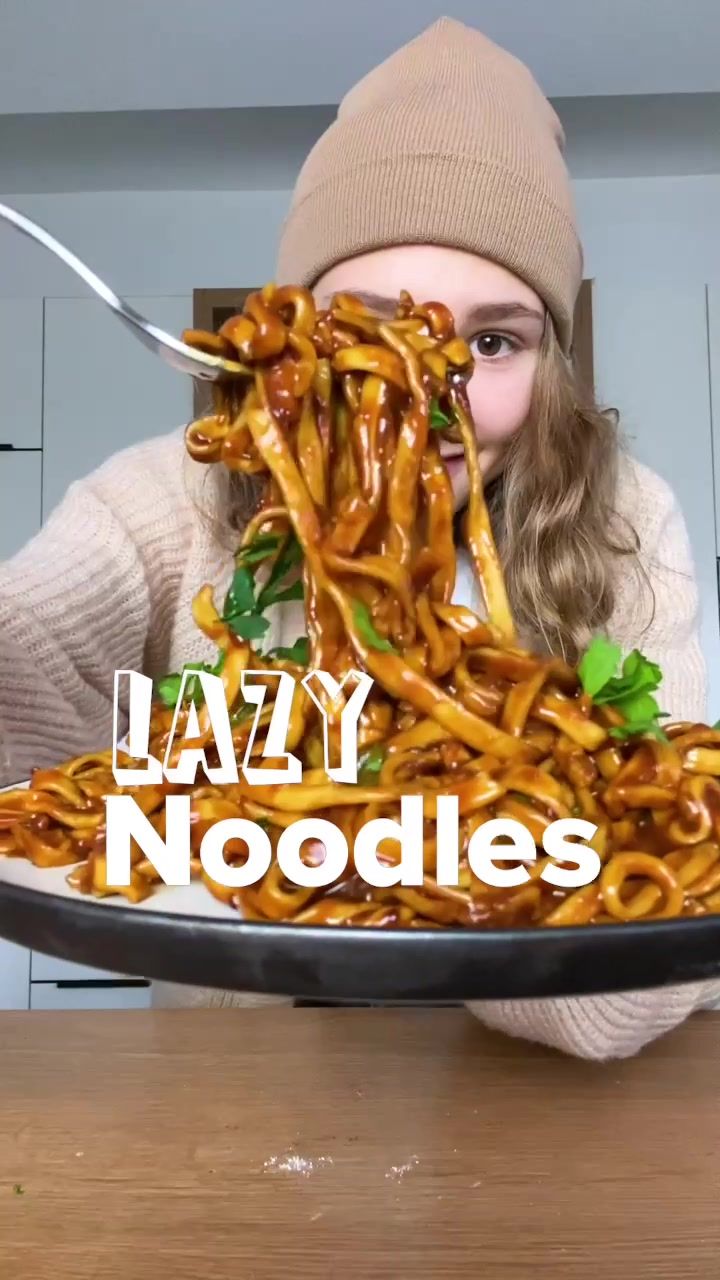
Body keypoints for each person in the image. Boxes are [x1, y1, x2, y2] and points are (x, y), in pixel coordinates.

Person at [0, 16, 716, 1055]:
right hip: (237, 1096)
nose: (434, 394)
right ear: (294, 337)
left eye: (494, 338)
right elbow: (24, 682)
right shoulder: (175, 497)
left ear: (549, 360)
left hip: (534, 1111)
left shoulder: (623, 519)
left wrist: (408, 802)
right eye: (371, 330)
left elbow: (634, 984)